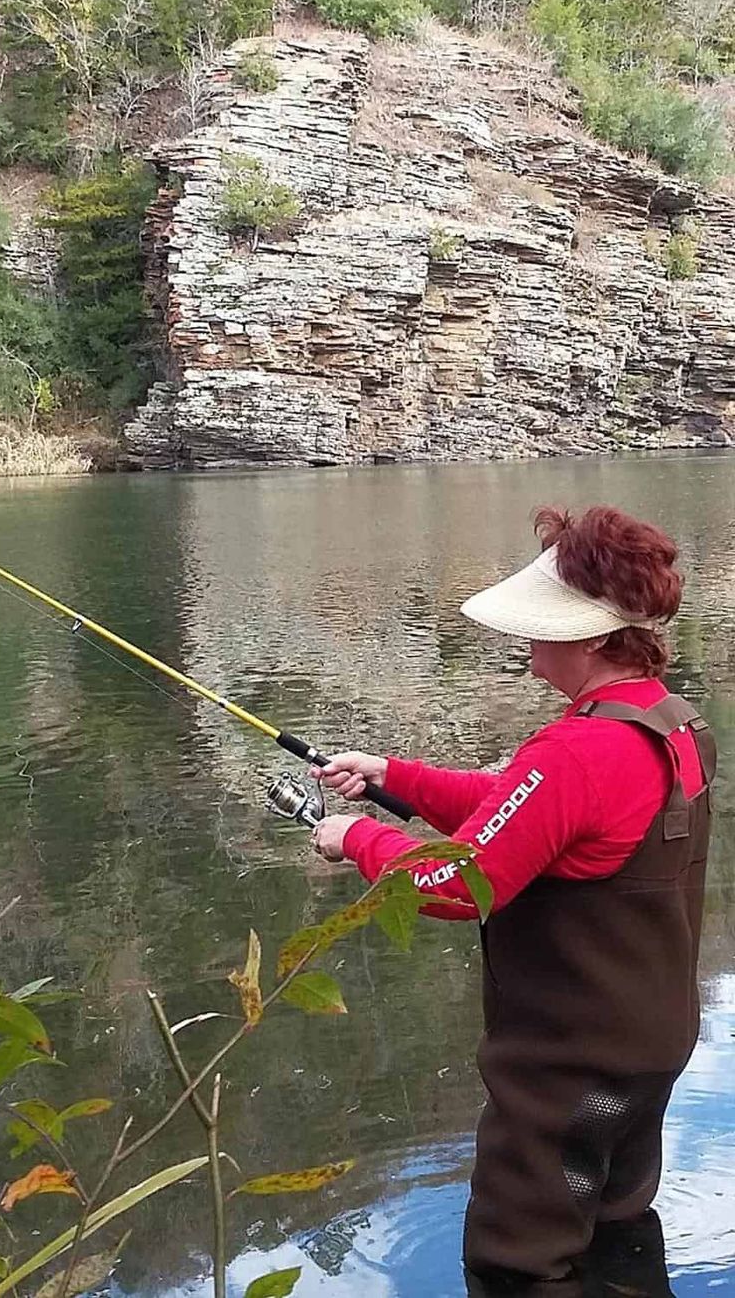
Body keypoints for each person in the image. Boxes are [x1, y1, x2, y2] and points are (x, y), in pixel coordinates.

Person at [310, 506, 715, 1297]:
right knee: (616, 1233)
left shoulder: (575, 750)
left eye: (543, 628)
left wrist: (356, 838)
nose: (528, 649)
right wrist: (396, 776)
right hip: (649, 1049)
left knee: (514, 1264)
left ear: (596, 637)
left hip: (565, 1069)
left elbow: (463, 883)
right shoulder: (670, 723)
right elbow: (522, 808)